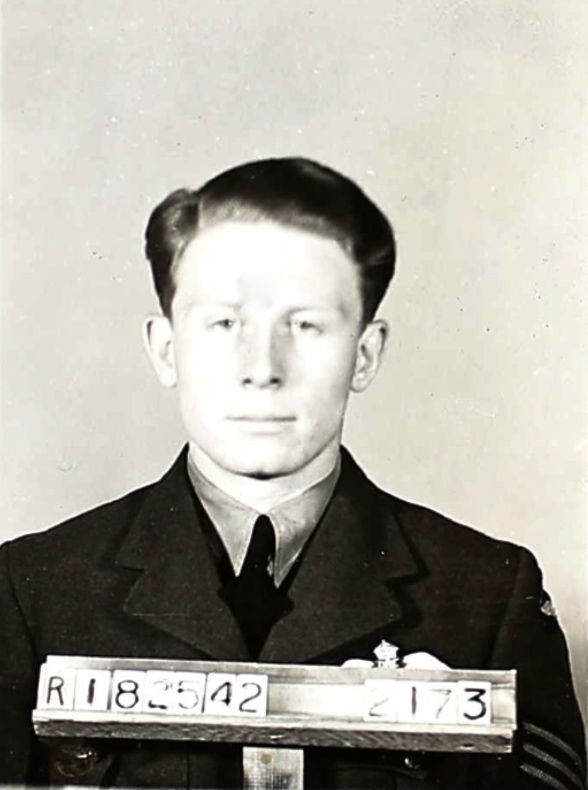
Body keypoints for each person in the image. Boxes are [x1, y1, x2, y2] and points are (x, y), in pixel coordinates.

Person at [0, 157, 584, 788]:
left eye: (305, 325)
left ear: (365, 354)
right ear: (166, 350)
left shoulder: (488, 594)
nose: (262, 368)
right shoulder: (32, 591)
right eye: (225, 323)